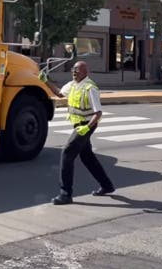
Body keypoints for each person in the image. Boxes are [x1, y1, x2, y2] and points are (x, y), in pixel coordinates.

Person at [39, 61, 115, 205]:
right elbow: (59, 93)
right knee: (87, 157)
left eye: (77, 70)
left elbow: (98, 113)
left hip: (87, 125)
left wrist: (87, 128)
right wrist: (45, 81)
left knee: (67, 153)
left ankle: (65, 194)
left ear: (85, 72)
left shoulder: (90, 88)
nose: (74, 72)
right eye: (73, 70)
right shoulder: (72, 84)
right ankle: (107, 185)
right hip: (78, 124)